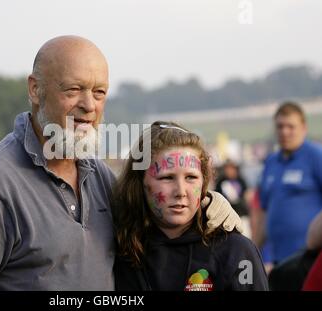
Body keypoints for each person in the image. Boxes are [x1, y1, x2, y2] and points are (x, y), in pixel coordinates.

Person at [0, 35, 243, 291]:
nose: (89, 105)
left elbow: (158, 223)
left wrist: (211, 207)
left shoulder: (98, 176)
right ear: (35, 89)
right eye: (73, 90)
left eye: (99, 92)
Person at [113, 121, 268, 291]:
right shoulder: (119, 247)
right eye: (167, 178)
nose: (181, 191)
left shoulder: (236, 251)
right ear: (140, 182)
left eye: (191, 177)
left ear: (204, 182)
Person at [258, 102, 322, 265]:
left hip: (311, 257)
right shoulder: (271, 162)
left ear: (303, 128)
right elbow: (263, 212)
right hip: (278, 259)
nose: (285, 131)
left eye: (290, 126)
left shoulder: (315, 156)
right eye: (280, 126)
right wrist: (253, 250)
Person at [215, 160, 251, 238]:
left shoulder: (241, 180)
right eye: (227, 168)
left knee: (245, 236)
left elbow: (247, 195)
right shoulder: (221, 181)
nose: (229, 171)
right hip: (226, 215)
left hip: (241, 213)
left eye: (232, 168)